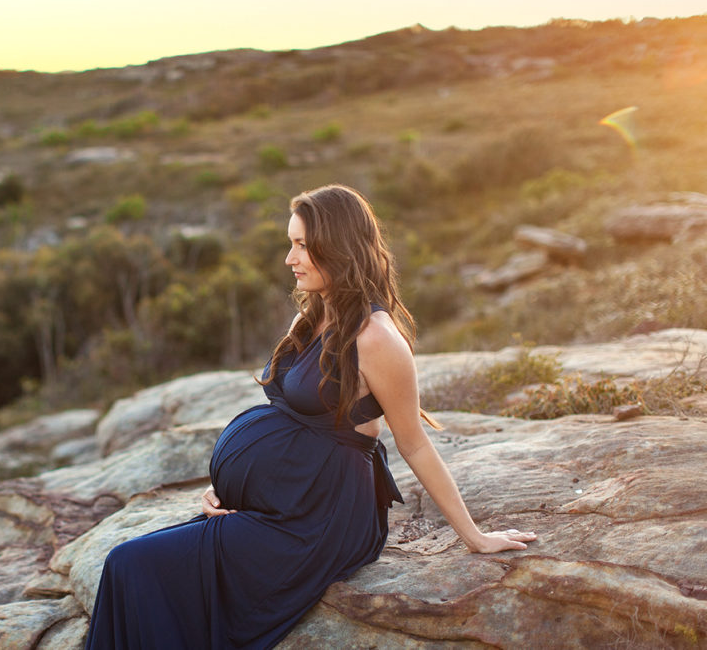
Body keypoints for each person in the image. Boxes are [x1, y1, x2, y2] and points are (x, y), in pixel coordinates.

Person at [84, 184, 536, 649]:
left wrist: (476, 537)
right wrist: (233, 485)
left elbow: (413, 442)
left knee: (130, 564)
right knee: (134, 568)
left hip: (322, 519)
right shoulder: (314, 313)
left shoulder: (377, 339)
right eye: (291, 243)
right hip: (287, 503)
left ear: (337, 248)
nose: (289, 258)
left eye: (301, 245)